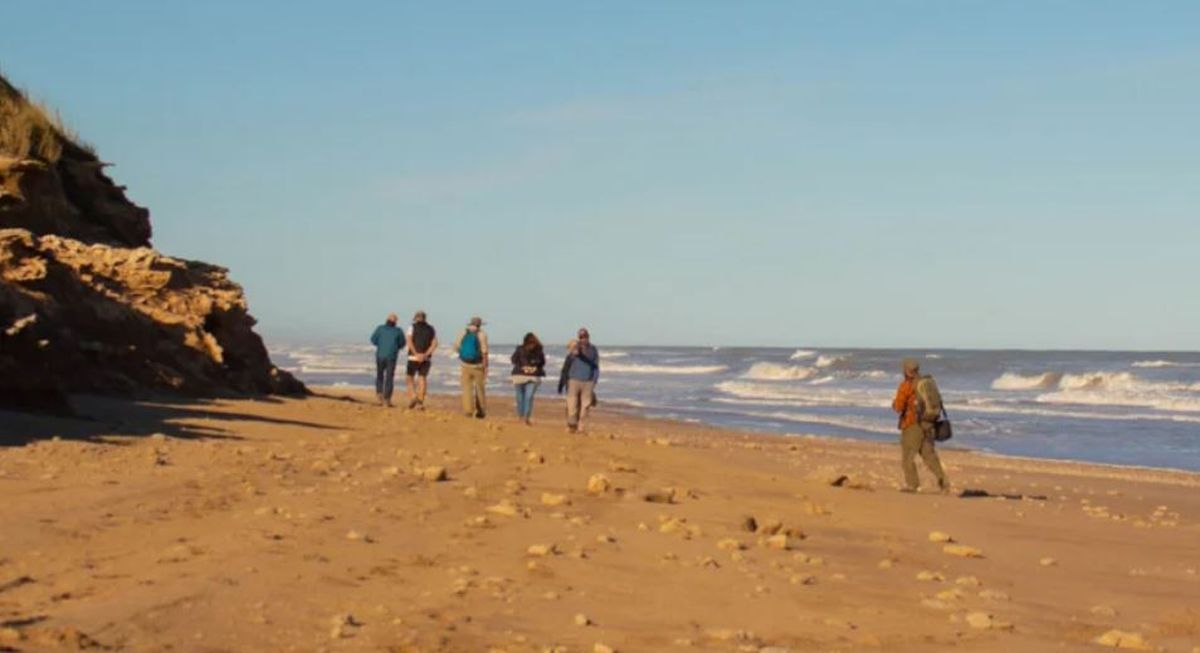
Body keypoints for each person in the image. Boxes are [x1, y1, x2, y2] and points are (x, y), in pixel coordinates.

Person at [892, 358, 949, 493]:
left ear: (906, 371)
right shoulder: (927, 382)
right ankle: (944, 483)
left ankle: (913, 485)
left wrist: (894, 404)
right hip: (929, 423)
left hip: (912, 425)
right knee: (929, 456)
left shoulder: (906, 385)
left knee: (907, 457)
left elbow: (898, 406)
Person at [558, 328, 600, 433]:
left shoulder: (593, 349)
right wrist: (562, 383)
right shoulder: (574, 348)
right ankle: (572, 424)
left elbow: (595, 365)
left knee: (585, 406)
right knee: (572, 404)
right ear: (579, 338)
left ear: (588, 337)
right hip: (573, 380)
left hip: (588, 381)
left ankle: (581, 426)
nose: (583, 339)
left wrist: (594, 380)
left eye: (585, 336)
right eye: (581, 337)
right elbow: (566, 366)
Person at [453, 316, 489, 418]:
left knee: (466, 388)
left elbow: (456, 347)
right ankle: (481, 411)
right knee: (479, 389)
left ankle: (468, 411)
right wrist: (486, 366)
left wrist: (463, 354)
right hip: (478, 365)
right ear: (480, 325)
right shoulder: (482, 334)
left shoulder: (463, 332)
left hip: (465, 365)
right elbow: (484, 352)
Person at [369, 313, 406, 407]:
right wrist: (395, 347)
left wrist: (381, 344)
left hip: (380, 355)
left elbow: (373, 340)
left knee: (380, 375)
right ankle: (387, 398)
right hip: (391, 356)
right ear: (395, 322)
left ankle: (379, 393)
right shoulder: (398, 331)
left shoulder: (380, 329)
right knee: (389, 377)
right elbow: (402, 343)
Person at [510, 332, 546, 425]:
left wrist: (534, 366)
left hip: (533, 377)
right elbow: (513, 360)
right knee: (520, 398)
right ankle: (520, 416)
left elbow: (542, 362)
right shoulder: (519, 349)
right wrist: (523, 367)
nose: (531, 345)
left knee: (528, 397)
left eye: (533, 343)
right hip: (519, 375)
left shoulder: (539, 350)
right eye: (530, 343)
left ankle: (526, 418)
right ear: (525, 342)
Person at [405, 310, 438, 410]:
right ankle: (420, 402)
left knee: (409, 377)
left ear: (416, 318)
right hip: (426, 358)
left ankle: (413, 396)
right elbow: (434, 344)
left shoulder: (412, 327)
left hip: (413, 357)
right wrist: (425, 354)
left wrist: (416, 353)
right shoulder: (431, 329)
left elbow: (409, 341)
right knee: (422, 378)